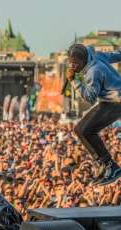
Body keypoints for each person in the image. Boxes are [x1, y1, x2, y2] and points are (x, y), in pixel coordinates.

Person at [66, 43, 121, 185]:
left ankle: (111, 167)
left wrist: (73, 81)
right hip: (109, 101)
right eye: (69, 62)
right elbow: (116, 55)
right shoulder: (95, 55)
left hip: (116, 102)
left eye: (75, 64)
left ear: (83, 60)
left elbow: (90, 98)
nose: (72, 66)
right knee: (79, 130)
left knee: (88, 131)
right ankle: (103, 164)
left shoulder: (93, 72)